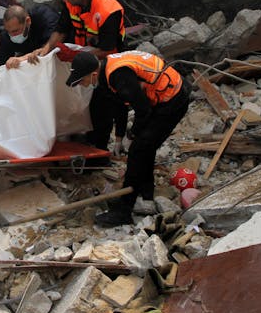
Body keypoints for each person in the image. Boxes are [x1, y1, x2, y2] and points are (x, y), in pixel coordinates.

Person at [66, 51, 191, 227]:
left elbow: (143, 110)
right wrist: (119, 137)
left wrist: (131, 136)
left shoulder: (118, 74)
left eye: (83, 81)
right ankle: (146, 193)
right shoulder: (109, 71)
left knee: (138, 151)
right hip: (163, 96)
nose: (84, 85)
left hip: (173, 99)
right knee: (145, 147)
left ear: (93, 74)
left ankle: (123, 211)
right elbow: (121, 105)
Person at [38, 0, 128, 156]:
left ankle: (99, 150)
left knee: (101, 106)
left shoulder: (109, 10)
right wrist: (46, 50)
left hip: (106, 63)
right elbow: (61, 29)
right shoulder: (72, 2)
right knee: (78, 98)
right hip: (83, 57)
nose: (65, 0)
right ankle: (79, 140)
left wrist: (76, 55)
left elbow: (107, 49)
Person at [0, 4, 59, 68]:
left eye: (15, 31)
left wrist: (22, 58)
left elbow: (53, 45)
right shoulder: (6, 36)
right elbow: (1, 65)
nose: (12, 36)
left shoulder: (45, 16)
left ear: (28, 21)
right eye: (8, 31)